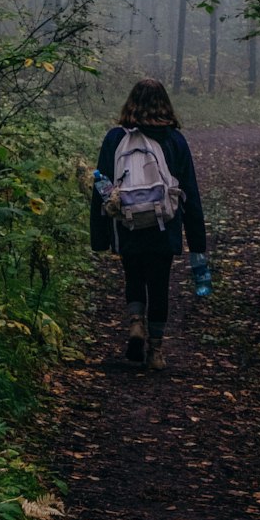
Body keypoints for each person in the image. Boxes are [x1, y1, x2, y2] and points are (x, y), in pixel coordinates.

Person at [90, 78, 207, 371]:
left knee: (133, 274)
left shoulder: (115, 138)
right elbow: (190, 193)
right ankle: (155, 351)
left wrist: (99, 236)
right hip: (164, 226)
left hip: (127, 223)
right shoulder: (175, 140)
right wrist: (198, 245)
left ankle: (135, 324)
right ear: (165, 103)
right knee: (159, 284)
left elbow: (101, 186)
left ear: (130, 102)